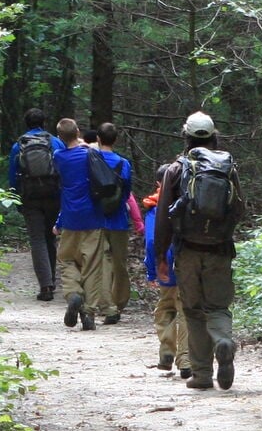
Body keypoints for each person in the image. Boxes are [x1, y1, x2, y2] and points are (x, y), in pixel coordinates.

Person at [153, 110, 245, 389]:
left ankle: (203, 374)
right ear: (214, 137)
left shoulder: (176, 169)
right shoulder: (228, 166)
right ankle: (224, 341)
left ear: (186, 137)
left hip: (188, 251)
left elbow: (163, 217)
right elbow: (240, 208)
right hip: (219, 249)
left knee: (193, 311)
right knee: (217, 306)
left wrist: (160, 255)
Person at [50, 118, 111, 331]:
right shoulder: (90, 154)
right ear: (78, 132)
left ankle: (74, 293)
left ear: (59, 137)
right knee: (92, 266)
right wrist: (88, 145)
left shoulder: (58, 157)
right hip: (93, 216)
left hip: (69, 217)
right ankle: (88, 314)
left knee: (67, 260)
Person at [7, 108, 63, 301]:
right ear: (44, 123)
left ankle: (45, 285)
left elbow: (13, 177)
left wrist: (17, 198)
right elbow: (63, 169)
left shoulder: (19, 145)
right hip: (53, 195)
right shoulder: (55, 142)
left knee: (37, 239)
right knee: (50, 237)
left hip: (30, 197)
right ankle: (52, 281)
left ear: (26, 123)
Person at [94, 123, 135, 323]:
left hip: (96, 218)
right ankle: (119, 303)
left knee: (101, 262)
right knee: (120, 264)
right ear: (115, 140)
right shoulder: (123, 163)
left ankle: (105, 304)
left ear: (98, 139)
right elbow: (127, 193)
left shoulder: (91, 160)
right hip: (119, 219)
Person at [143, 186, 186, 373]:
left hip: (166, 265)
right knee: (186, 311)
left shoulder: (156, 208)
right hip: (188, 264)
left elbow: (152, 242)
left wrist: (152, 271)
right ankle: (186, 360)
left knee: (166, 308)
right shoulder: (191, 202)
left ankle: (167, 351)